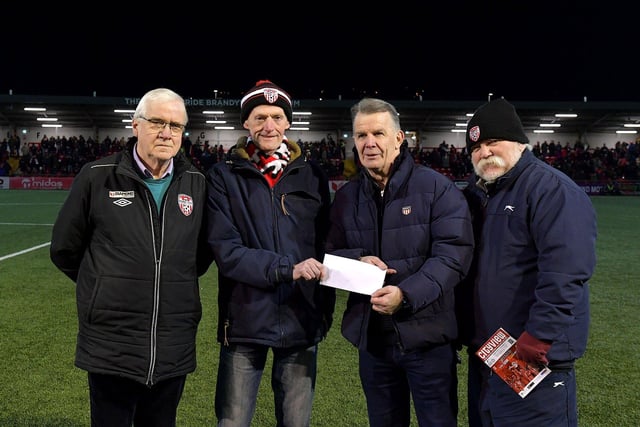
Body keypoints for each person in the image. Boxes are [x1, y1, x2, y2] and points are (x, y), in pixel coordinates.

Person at [50, 88, 213, 427]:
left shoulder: (198, 183)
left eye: (176, 125)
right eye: (157, 122)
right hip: (111, 345)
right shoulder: (97, 176)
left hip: (172, 344)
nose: (167, 133)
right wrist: (104, 285)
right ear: (135, 125)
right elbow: (65, 248)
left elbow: (200, 257)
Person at [325, 97, 475, 427]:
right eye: (361, 136)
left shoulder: (437, 188)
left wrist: (405, 296)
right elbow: (328, 256)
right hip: (373, 342)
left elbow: (453, 257)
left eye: (378, 133)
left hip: (428, 340)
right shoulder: (347, 197)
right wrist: (357, 260)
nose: (369, 143)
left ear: (399, 138)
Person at [456, 98, 597, 427]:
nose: (484, 152)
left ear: (519, 142)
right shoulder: (480, 194)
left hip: (531, 357)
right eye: (475, 147)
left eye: (493, 142)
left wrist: (536, 340)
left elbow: (565, 274)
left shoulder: (552, 190)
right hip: (488, 355)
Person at [205, 80, 335, 426]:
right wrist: (287, 268)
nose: (269, 126)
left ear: (288, 122)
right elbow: (226, 251)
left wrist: (325, 305)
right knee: (232, 422)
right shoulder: (222, 176)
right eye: (260, 117)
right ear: (246, 123)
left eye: (277, 117)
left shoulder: (312, 175)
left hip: (301, 320)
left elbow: (328, 244)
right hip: (246, 318)